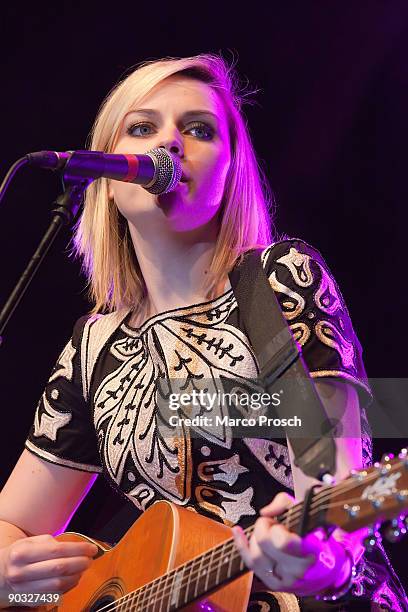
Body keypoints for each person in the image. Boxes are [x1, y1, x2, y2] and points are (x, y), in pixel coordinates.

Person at [0, 54, 406, 611]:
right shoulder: (93, 348)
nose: (169, 143)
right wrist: (7, 575)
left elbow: (332, 478)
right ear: (106, 180)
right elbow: (13, 524)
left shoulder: (280, 280)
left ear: (230, 169)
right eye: (142, 128)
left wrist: (320, 561)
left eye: (198, 129)